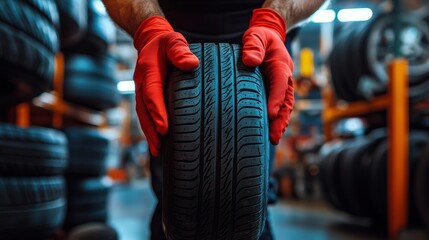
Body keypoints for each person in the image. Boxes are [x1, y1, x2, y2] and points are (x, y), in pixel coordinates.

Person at [102, 0, 326, 239]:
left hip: (264, 31)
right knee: (175, 190)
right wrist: (147, 27)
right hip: (169, 31)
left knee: (251, 192)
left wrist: (276, 18)